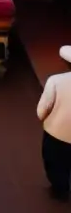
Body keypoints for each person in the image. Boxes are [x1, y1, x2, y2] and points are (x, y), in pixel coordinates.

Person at [38, 46, 71, 201]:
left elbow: (42, 109)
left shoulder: (55, 81)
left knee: (53, 160)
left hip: (55, 131)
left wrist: (43, 117)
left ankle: (60, 188)